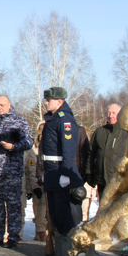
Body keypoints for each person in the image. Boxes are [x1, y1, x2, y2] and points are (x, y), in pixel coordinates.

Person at [0, 96, 33, 248]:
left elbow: (29, 141)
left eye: (2, 105)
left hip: (11, 172)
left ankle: (13, 236)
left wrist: (13, 147)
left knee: (13, 205)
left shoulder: (19, 121)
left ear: (9, 105)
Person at [41, 87, 84, 236]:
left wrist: (65, 173)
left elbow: (68, 149)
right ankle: (62, 249)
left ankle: (71, 248)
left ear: (59, 101)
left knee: (63, 213)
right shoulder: (53, 118)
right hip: (51, 170)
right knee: (55, 213)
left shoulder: (64, 118)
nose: (46, 103)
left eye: (49, 100)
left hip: (59, 170)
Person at [88, 104, 128, 201]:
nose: (110, 116)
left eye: (114, 113)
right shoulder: (100, 132)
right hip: (101, 179)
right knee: (103, 208)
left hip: (118, 181)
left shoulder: (125, 133)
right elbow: (91, 154)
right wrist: (89, 174)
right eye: (109, 113)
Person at [24, 121, 47, 241]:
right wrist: (34, 186)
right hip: (38, 182)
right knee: (39, 208)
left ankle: (46, 231)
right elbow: (31, 169)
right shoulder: (33, 149)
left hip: (50, 181)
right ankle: (40, 231)